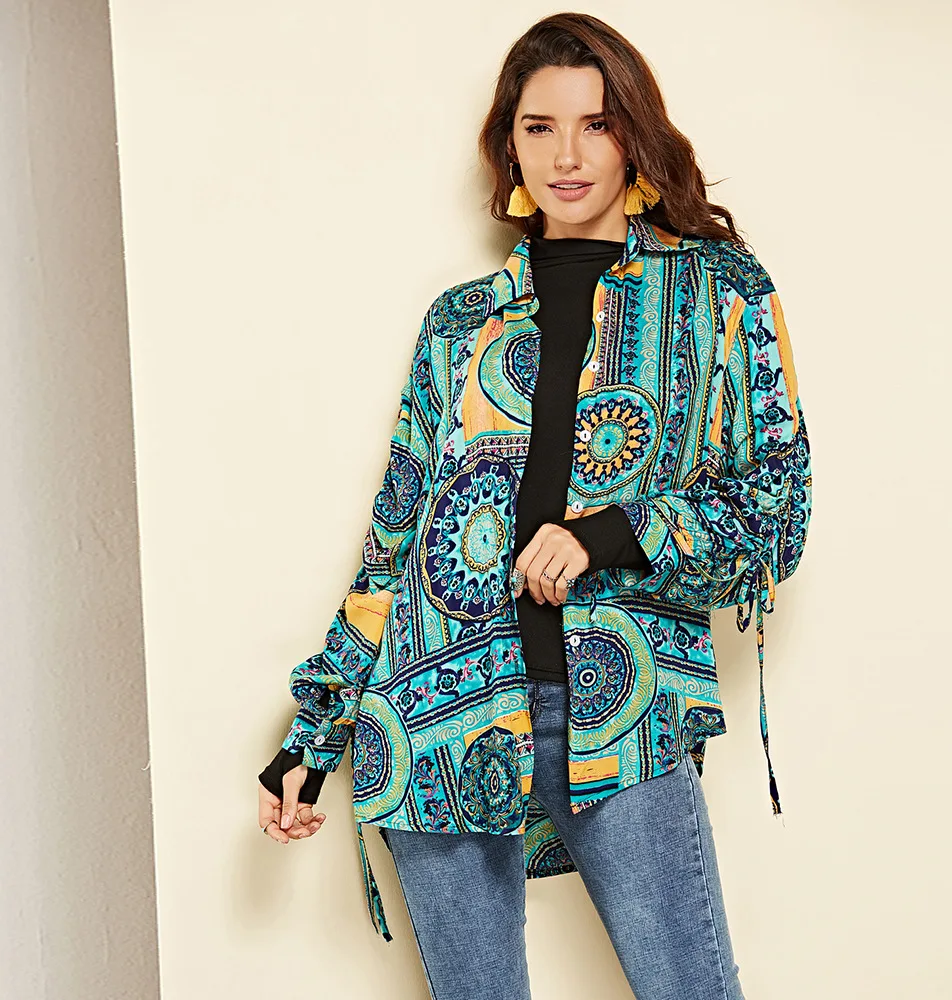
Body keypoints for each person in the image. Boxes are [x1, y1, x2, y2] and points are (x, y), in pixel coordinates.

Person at [257, 11, 812, 1000]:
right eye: (539, 127)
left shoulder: (719, 292)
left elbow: (779, 506)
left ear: (634, 135)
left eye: (596, 124)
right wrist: (313, 736)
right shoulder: (459, 321)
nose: (567, 155)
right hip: (436, 721)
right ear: (508, 145)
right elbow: (396, 540)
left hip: (625, 711)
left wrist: (611, 534)